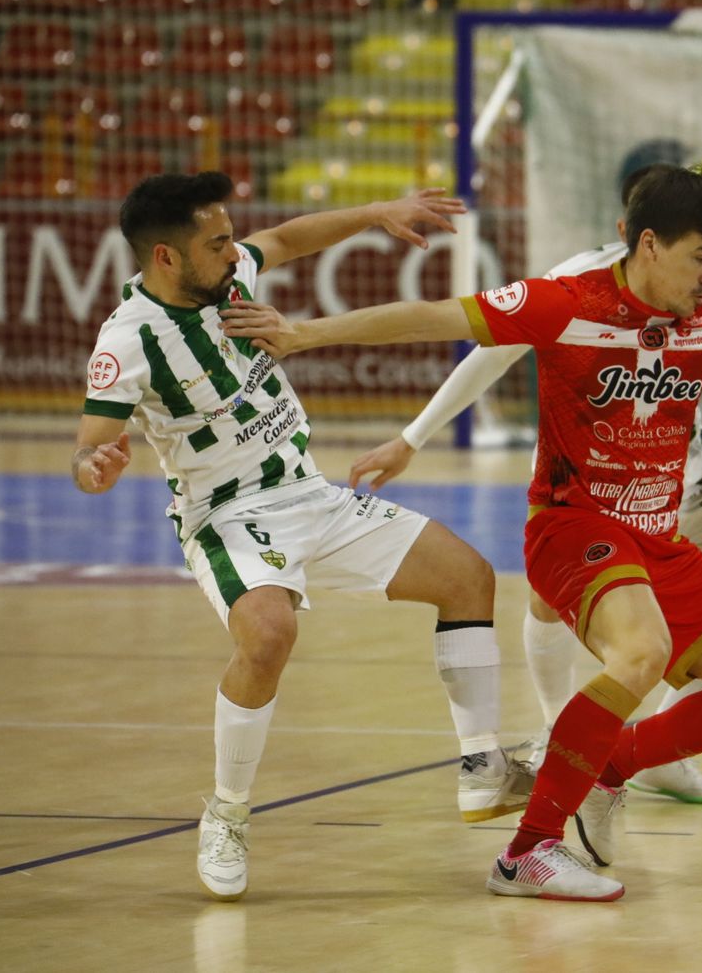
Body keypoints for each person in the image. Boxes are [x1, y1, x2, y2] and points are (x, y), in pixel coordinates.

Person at [221, 165, 702, 902]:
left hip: (659, 540)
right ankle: (526, 854)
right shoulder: (567, 301)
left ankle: (612, 762)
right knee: (642, 651)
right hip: (575, 529)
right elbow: (426, 315)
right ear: (651, 244)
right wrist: (305, 334)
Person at [71, 172, 533, 902]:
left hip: (309, 495)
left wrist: (380, 211)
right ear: (166, 257)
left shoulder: (228, 277)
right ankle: (226, 813)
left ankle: (483, 766)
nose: (235, 252)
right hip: (228, 516)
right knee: (268, 635)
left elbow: (286, 238)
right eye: (217, 242)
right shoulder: (127, 343)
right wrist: (97, 465)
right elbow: (89, 448)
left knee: (469, 577)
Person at [345, 163, 702, 806]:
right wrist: (413, 438)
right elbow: (492, 351)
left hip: (689, 484)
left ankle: (653, 753)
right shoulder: (572, 285)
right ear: (639, 234)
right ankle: (563, 733)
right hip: (589, 486)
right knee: (551, 603)